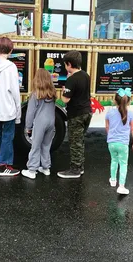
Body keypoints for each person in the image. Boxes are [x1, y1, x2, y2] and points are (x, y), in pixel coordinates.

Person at [0, 37, 21, 176]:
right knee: (7, 136)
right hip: (7, 109)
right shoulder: (11, 67)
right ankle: (3, 166)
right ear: (11, 50)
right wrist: (18, 114)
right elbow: (15, 92)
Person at [57, 51, 92, 179]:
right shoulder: (85, 75)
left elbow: (65, 99)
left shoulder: (71, 79)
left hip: (76, 114)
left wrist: (63, 92)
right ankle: (80, 167)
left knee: (75, 142)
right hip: (87, 112)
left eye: (65, 65)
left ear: (69, 64)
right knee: (80, 141)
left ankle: (75, 170)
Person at [22, 68, 56, 179]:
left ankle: (32, 170)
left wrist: (28, 126)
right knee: (46, 145)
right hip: (52, 122)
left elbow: (30, 112)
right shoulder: (52, 93)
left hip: (40, 122)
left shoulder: (35, 94)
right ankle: (46, 168)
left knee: (35, 146)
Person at [105, 88, 133, 195]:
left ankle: (113, 180)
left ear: (115, 101)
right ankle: (121, 186)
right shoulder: (131, 114)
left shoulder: (110, 112)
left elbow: (107, 126)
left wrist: (110, 136)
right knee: (123, 164)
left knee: (114, 160)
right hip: (123, 144)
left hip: (111, 143)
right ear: (128, 101)